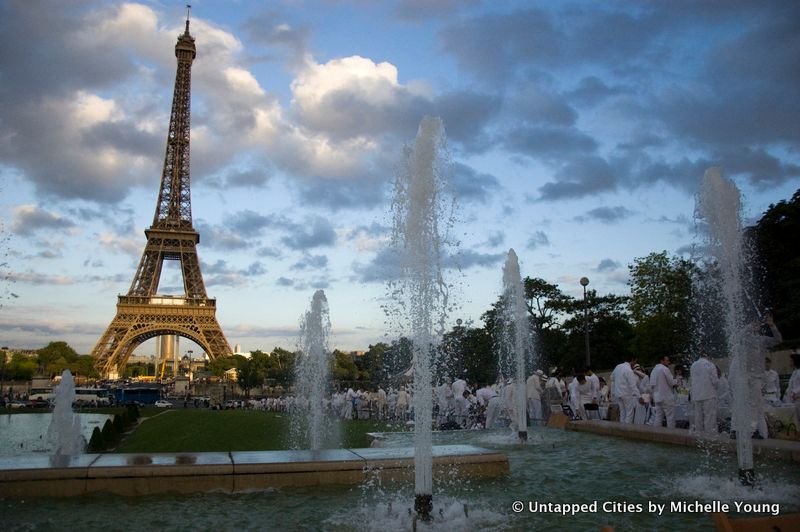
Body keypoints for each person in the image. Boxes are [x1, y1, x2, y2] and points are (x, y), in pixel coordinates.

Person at [690, 353, 719, 436]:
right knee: (709, 416)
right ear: (708, 356)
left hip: (696, 394)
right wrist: (716, 388)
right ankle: (709, 434)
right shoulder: (709, 365)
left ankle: (698, 434)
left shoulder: (693, 365)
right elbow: (715, 381)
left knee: (698, 416)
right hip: (708, 393)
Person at [650, 355, 677, 428]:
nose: (669, 362)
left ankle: (656, 433)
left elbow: (651, 384)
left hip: (657, 397)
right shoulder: (664, 369)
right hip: (666, 396)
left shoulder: (653, 370)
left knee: (658, 417)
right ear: (662, 361)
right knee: (670, 417)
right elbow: (671, 382)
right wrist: (676, 381)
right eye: (667, 360)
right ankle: (671, 434)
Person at [611, 356, 639, 424]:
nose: (635, 363)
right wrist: (639, 396)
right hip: (626, 393)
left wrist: (619, 381)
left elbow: (611, 377)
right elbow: (633, 385)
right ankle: (627, 429)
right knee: (629, 412)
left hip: (618, 393)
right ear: (632, 360)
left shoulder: (618, 366)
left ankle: (622, 429)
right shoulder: (628, 370)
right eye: (635, 362)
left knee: (623, 412)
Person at [784, 352, 800, 425]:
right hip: (793, 399)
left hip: (797, 399)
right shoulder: (794, 372)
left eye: (791, 360)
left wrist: (796, 394)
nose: (789, 362)